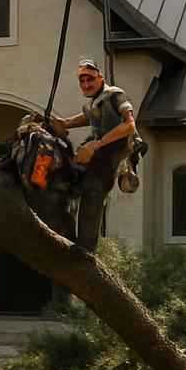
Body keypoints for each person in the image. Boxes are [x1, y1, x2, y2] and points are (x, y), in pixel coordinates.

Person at [49, 59, 142, 251]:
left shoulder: (114, 95)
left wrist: (96, 145)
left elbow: (129, 124)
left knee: (92, 196)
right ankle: (67, 238)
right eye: (82, 81)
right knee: (67, 184)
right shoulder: (94, 102)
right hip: (94, 159)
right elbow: (88, 116)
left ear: (101, 78)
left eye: (90, 79)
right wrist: (64, 123)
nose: (86, 84)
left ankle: (85, 250)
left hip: (105, 162)